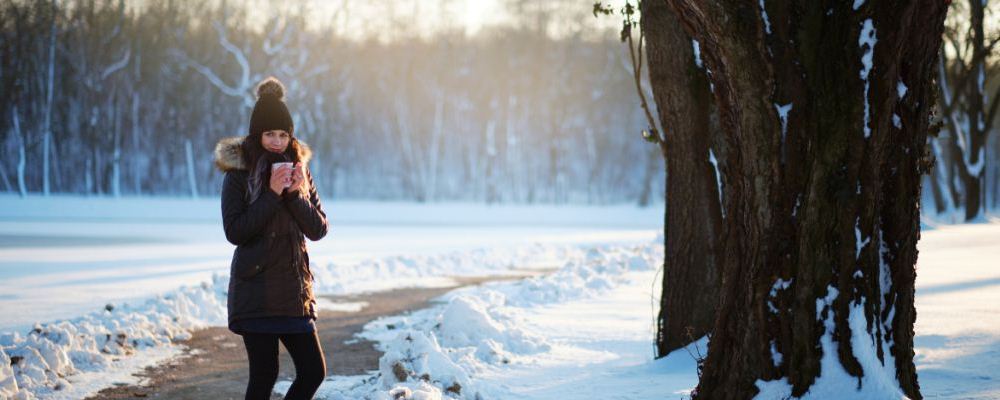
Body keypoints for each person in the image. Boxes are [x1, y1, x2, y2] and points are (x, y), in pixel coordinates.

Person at [214, 76, 329, 400]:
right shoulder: (239, 173)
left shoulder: (300, 170)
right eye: (269, 134)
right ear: (257, 134)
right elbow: (235, 232)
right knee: (265, 376)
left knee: (313, 372)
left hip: (294, 292)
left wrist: (295, 196)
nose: (277, 141)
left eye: (283, 134)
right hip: (257, 292)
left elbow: (318, 229)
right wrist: (272, 194)